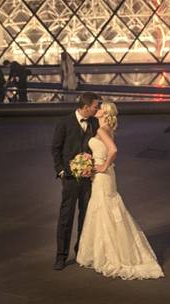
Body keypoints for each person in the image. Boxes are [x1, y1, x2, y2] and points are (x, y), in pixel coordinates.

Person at [76, 101, 163, 279]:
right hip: (104, 175)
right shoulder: (108, 129)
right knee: (105, 210)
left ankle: (112, 254)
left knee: (104, 209)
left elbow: (113, 150)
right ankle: (110, 250)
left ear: (105, 112)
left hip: (103, 176)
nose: (97, 109)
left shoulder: (101, 130)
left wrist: (102, 167)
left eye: (100, 108)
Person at [51, 92, 101, 271]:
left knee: (86, 217)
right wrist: (61, 171)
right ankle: (61, 256)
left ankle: (81, 251)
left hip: (89, 179)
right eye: (95, 106)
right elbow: (55, 148)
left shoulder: (95, 123)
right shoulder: (64, 122)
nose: (98, 109)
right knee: (66, 217)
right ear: (86, 106)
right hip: (70, 179)